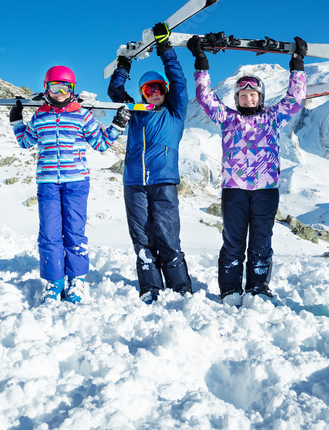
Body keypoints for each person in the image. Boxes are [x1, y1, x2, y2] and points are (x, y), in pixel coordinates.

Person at [187, 35, 307, 306]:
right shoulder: (227, 118)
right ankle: (229, 290)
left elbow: (295, 98)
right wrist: (201, 63)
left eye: (253, 95)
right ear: (237, 98)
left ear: (260, 97)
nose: (248, 98)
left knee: (261, 243)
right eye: (243, 95)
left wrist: (297, 65)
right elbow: (205, 97)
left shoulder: (273, 117)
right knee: (233, 243)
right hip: (235, 191)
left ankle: (258, 289)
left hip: (266, 191)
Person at [11, 65, 130, 304]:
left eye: (65, 87)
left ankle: (77, 279)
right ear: (46, 89)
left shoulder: (81, 115)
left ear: (72, 89)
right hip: (47, 184)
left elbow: (101, 144)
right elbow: (26, 142)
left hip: (76, 183)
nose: (60, 92)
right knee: (49, 233)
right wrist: (17, 121)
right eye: (54, 87)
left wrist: (117, 125)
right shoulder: (40, 116)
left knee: (74, 232)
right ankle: (54, 280)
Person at [108, 23, 193, 303]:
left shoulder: (175, 112)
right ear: (142, 93)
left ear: (164, 90)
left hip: (164, 181)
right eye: (148, 89)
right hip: (134, 183)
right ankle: (150, 288)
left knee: (168, 236)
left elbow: (179, 81)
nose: (153, 92)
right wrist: (123, 65)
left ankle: (180, 287)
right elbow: (115, 91)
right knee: (143, 239)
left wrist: (165, 49)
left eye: (158, 88)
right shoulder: (134, 111)